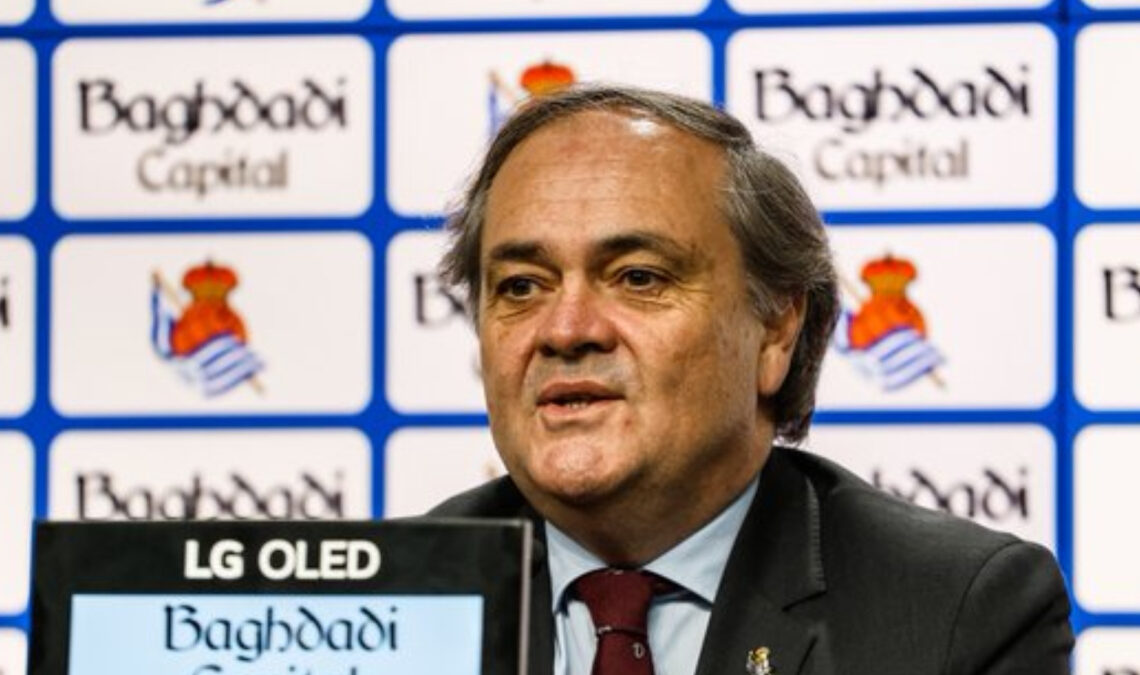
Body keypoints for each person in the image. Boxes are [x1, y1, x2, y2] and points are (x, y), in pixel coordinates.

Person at [430, 84, 1073, 675]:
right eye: (521, 287)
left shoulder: (953, 615)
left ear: (775, 330)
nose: (566, 330)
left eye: (639, 277)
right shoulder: (402, 596)